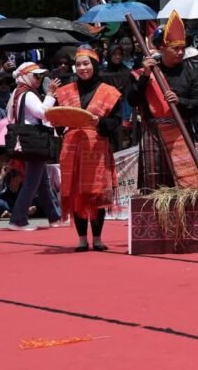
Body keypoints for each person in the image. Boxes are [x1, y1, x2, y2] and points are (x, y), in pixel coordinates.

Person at [127, 11, 198, 190]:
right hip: (153, 133)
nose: (180, 52)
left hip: (181, 131)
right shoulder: (147, 71)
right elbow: (132, 100)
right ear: (162, 48)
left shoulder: (191, 73)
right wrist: (145, 77)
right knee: (155, 187)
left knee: (187, 186)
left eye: (182, 48)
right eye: (175, 48)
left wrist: (180, 101)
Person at [55, 46, 122, 252]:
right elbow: (57, 123)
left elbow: (116, 121)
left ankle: (98, 238)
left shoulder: (109, 92)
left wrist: (99, 121)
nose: (82, 68)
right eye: (78, 64)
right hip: (72, 146)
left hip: (97, 145)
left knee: (97, 192)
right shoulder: (65, 92)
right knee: (76, 192)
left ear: (94, 65)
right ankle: (82, 239)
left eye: (86, 64)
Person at [6, 62, 62, 231]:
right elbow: (42, 112)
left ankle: (54, 217)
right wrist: (51, 94)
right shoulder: (28, 94)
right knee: (32, 181)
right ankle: (18, 219)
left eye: (40, 76)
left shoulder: (17, 92)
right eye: (36, 75)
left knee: (42, 181)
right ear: (26, 76)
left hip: (27, 140)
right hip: (34, 141)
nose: (39, 79)